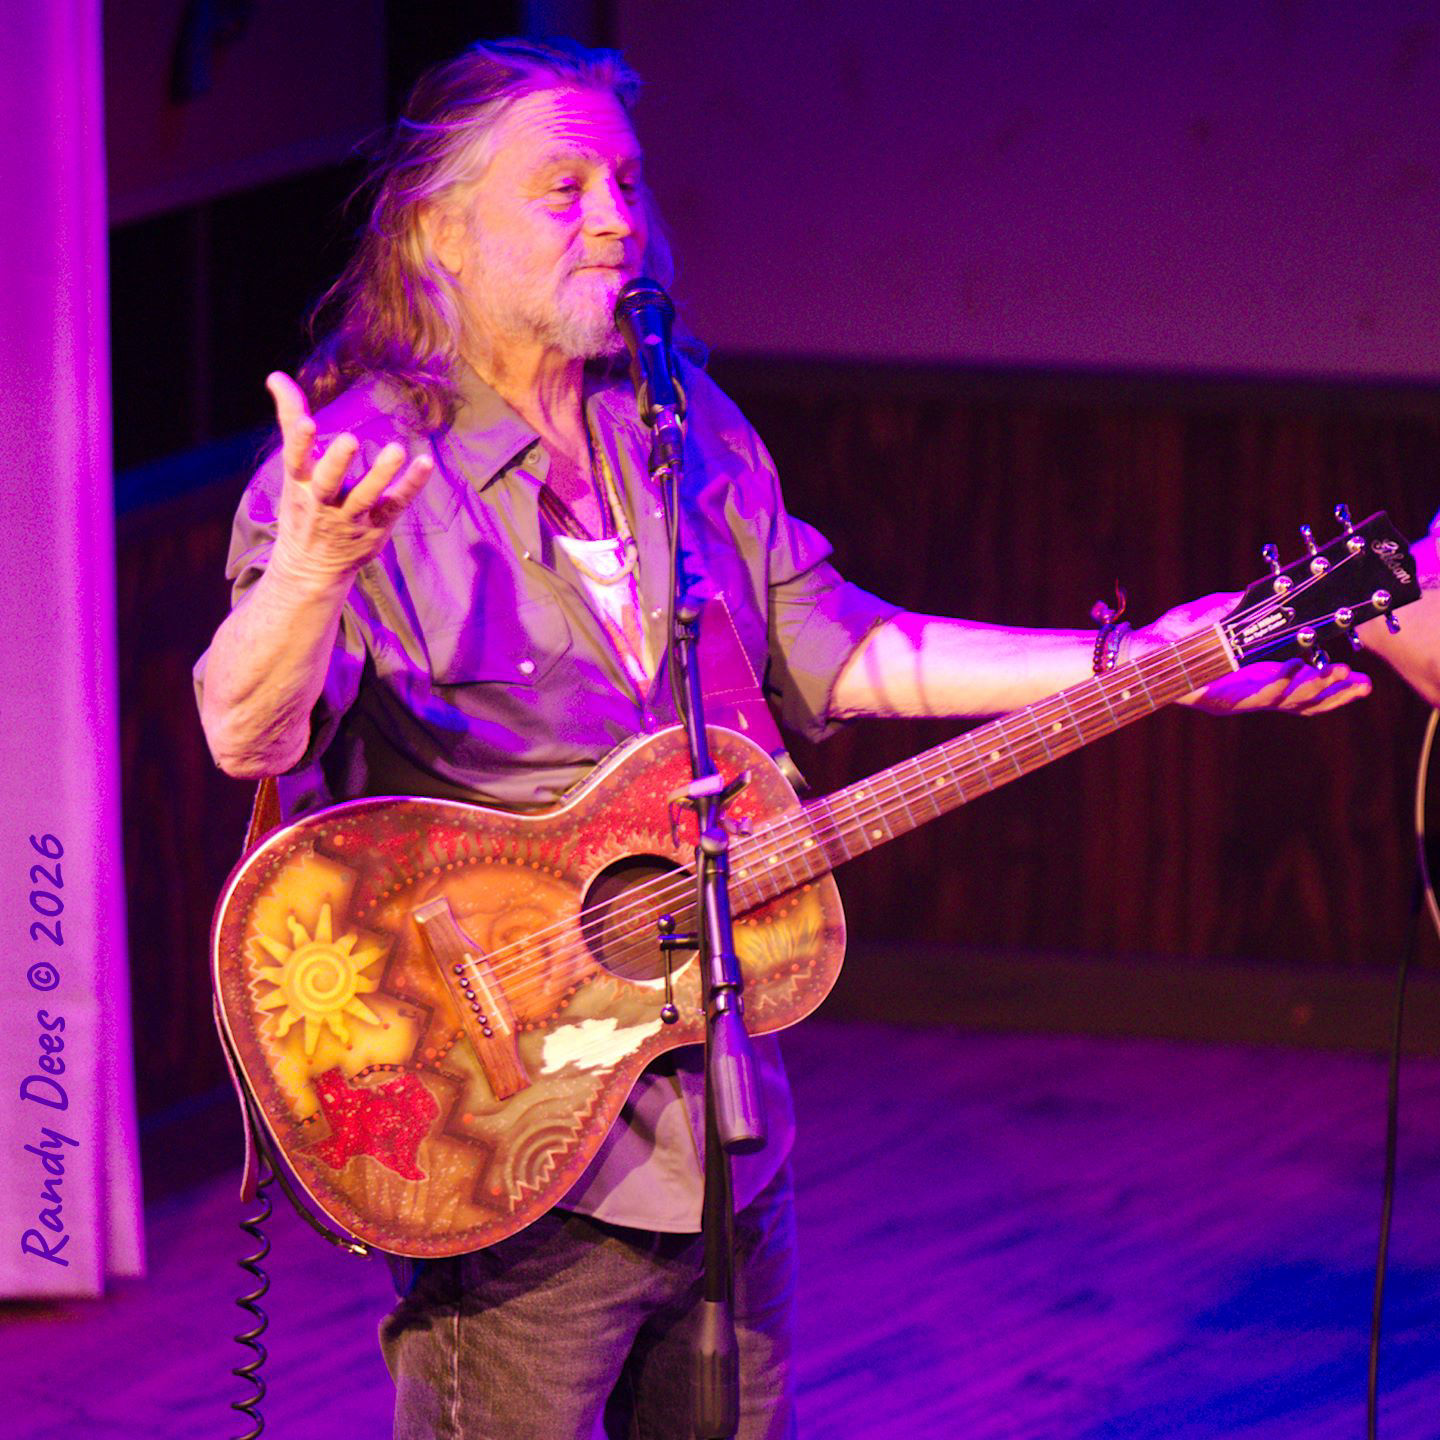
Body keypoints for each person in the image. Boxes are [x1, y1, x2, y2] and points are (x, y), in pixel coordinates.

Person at [194, 37, 1371, 1440]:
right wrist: (314, 570)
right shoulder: (360, 464)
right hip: (500, 1124)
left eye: (624, 183)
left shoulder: (679, 430)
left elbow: (848, 650)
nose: (617, 220)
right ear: (439, 235)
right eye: (561, 190)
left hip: (716, 1119)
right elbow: (242, 730)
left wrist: (1148, 665)